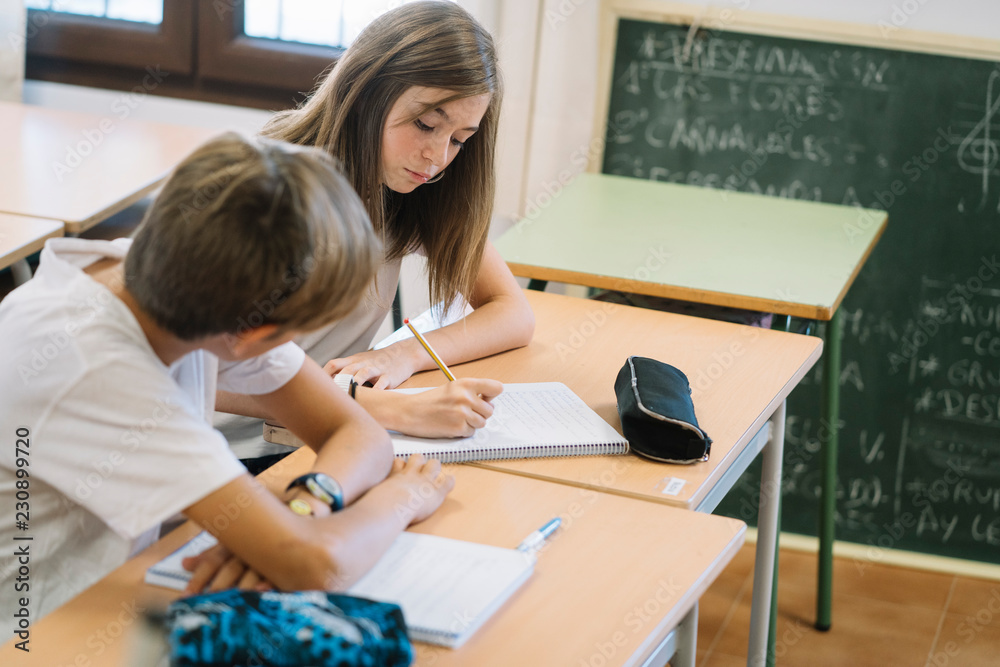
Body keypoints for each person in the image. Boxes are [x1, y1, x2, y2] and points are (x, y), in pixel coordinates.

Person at [0, 133, 453, 621]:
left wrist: (305, 507)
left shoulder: (168, 274)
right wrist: (403, 499)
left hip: (113, 582)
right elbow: (317, 567)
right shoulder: (102, 372)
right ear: (254, 335)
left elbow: (356, 431)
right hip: (33, 630)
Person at [214, 0, 534, 458]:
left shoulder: (410, 187)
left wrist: (399, 355)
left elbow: (513, 313)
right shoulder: (267, 193)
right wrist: (385, 409)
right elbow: (203, 371)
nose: (438, 156)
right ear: (366, 94)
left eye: (460, 139)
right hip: (219, 453)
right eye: (426, 124)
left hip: (314, 438)